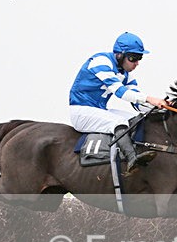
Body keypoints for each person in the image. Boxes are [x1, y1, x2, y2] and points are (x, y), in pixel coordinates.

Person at [69, 32, 169, 172]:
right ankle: (132, 159)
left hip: (99, 111)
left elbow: (138, 102)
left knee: (136, 120)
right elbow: (120, 92)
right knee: (119, 123)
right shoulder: (101, 61)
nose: (137, 63)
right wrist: (150, 98)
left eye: (139, 58)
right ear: (120, 55)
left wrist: (164, 108)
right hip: (81, 112)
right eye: (133, 58)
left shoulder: (126, 74)